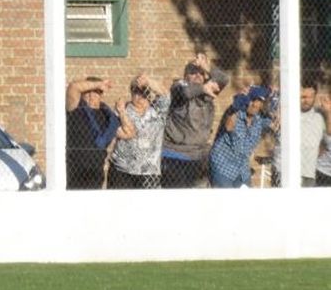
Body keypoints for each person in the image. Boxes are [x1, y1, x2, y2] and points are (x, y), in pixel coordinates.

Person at [160, 52, 226, 188]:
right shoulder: (178, 88)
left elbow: (224, 79)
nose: (197, 75)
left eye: (201, 73)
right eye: (193, 72)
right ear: (185, 76)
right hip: (174, 156)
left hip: (198, 157)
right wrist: (203, 87)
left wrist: (206, 67)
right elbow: (185, 92)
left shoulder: (207, 94)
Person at [108, 75, 168, 189]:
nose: (140, 96)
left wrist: (149, 81)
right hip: (123, 169)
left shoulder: (158, 111)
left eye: (144, 92)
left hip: (149, 172)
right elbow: (120, 133)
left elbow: (165, 94)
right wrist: (122, 113)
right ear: (131, 92)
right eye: (137, 91)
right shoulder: (122, 109)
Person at [208, 86, 271, 188]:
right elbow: (229, 124)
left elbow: (275, 118)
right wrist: (238, 101)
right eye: (252, 100)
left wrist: (271, 95)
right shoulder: (235, 113)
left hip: (242, 169)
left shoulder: (259, 120)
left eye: (258, 101)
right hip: (223, 166)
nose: (254, 104)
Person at [65, 77, 121, 190]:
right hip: (75, 170)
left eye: (96, 93)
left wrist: (122, 112)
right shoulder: (76, 107)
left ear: (101, 95)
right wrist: (98, 84)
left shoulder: (107, 115)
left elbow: (127, 133)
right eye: (87, 92)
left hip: (96, 171)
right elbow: (73, 87)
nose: (91, 96)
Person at [297, 82, 329, 187]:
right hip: (292, 170)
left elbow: (327, 139)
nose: (306, 101)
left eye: (310, 97)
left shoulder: (319, 117)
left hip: (311, 172)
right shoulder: (289, 115)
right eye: (303, 97)